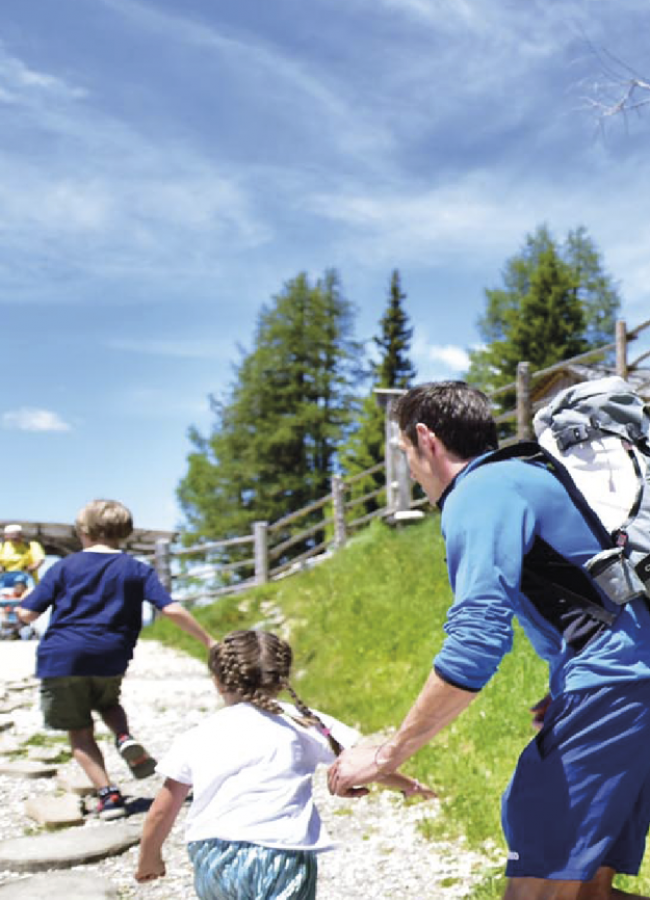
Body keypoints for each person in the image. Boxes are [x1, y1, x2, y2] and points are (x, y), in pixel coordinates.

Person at [327, 381, 650, 900]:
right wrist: (564, 686)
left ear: (426, 439)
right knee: (585, 891)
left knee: (535, 891)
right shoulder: (526, 474)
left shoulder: (480, 491)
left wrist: (386, 756)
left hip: (611, 687)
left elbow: (475, 643)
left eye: (405, 452)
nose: (410, 469)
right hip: (627, 685)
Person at [135, 629, 435, 898]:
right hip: (282, 851)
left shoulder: (200, 734)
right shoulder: (304, 723)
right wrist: (409, 785)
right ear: (281, 681)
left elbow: (162, 809)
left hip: (213, 852)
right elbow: (363, 764)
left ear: (217, 682)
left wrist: (149, 858)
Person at [16, 499, 216, 820]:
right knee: (108, 701)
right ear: (124, 531)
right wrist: (208, 640)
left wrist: (20, 606)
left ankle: (108, 795)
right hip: (111, 655)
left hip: (63, 658)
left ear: (82, 531)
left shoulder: (64, 567)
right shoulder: (137, 569)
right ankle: (123, 736)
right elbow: (170, 608)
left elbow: (27, 614)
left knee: (79, 732)